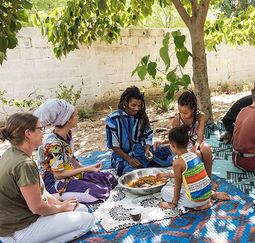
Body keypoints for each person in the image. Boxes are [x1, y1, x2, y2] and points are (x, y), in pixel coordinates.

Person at [0, 113, 94, 242]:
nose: (43, 133)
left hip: (24, 218)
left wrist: (61, 205)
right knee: (87, 221)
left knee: (82, 209)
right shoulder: (23, 164)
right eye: (40, 129)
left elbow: (41, 192)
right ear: (28, 134)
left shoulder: (13, 153)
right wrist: (61, 208)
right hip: (19, 230)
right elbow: (37, 207)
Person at [34, 99, 117, 204]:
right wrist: (86, 169)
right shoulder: (53, 144)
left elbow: (71, 158)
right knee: (98, 192)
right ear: (68, 120)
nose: (78, 118)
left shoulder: (67, 133)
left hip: (67, 171)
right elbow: (58, 175)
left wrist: (84, 169)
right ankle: (53, 196)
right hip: (53, 180)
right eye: (76, 115)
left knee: (108, 178)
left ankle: (75, 187)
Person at [158, 125, 229, 210]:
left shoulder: (177, 163)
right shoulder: (194, 155)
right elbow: (187, 176)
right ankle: (212, 195)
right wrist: (167, 175)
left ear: (173, 145)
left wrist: (172, 204)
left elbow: (177, 187)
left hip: (196, 201)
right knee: (185, 185)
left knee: (164, 190)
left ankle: (199, 205)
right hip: (207, 192)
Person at [106, 86, 174, 176]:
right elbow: (113, 145)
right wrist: (129, 159)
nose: (137, 109)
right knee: (131, 173)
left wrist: (147, 150)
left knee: (166, 162)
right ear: (125, 103)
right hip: (123, 156)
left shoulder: (142, 117)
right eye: (133, 105)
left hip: (141, 152)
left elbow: (148, 136)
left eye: (139, 105)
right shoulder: (113, 119)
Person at [155, 90, 217, 189]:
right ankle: (195, 181)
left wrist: (196, 146)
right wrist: (162, 142)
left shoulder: (200, 116)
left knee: (206, 148)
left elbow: (200, 136)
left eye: (185, 112)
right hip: (183, 146)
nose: (182, 115)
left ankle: (208, 179)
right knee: (195, 155)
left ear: (193, 109)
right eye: (180, 112)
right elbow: (174, 138)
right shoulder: (177, 120)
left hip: (197, 142)